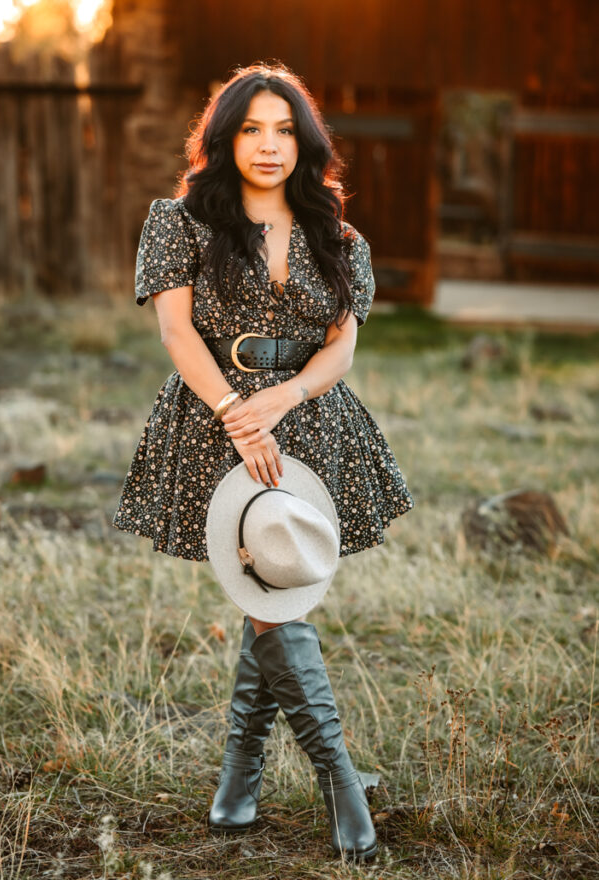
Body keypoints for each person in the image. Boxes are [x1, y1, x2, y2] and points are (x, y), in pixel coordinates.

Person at [112, 61, 415, 861]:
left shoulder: (337, 234)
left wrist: (283, 401)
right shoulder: (179, 221)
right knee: (270, 598)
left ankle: (239, 780)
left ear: (305, 142)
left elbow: (340, 348)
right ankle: (339, 776)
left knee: (271, 589)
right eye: (251, 128)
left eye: (285, 129)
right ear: (224, 138)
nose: (269, 144)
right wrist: (237, 415)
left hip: (310, 421)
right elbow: (178, 335)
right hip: (215, 416)